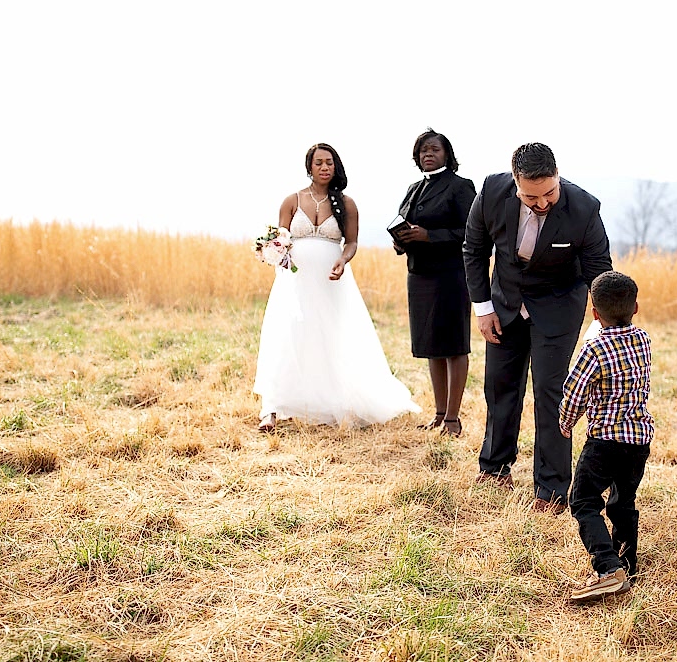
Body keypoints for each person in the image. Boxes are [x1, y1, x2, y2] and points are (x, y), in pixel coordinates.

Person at [463, 142, 612, 512]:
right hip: (504, 304)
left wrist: (611, 324)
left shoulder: (584, 208)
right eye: (532, 196)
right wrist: (483, 308)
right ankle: (495, 468)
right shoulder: (491, 192)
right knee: (499, 386)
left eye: (549, 192)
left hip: (558, 307)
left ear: (557, 177)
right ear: (515, 183)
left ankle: (552, 489)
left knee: (550, 392)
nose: (542, 202)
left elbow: (599, 269)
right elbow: (474, 249)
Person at [253, 143, 420, 432]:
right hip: (295, 280)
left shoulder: (347, 203)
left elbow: (352, 242)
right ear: (309, 167)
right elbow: (280, 237)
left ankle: (332, 399)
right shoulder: (291, 200)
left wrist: (343, 260)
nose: (324, 167)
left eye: (329, 162)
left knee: (331, 335)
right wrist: (273, 250)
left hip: (332, 280)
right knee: (288, 335)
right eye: (318, 162)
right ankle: (273, 407)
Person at [559, 271, 654, 602]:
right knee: (623, 504)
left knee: (583, 501)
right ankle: (627, 568)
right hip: (639, 440)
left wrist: (566, 421)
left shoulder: (595, 347)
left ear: (594, 314)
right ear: (636, 307)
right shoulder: (644, 341)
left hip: (605, 441)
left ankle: (607, 568)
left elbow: (574, 391)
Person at [393, 129, 478, 438]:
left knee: (454, 345)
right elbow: (401, 224)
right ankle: (439, 414)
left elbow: (472, 234)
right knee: (431, 346)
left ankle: (454, 419)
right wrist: (401, 241)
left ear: (447, 155)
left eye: (434, 149)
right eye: (422, 150)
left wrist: (430, 236)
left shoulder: (460, 187)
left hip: (451, 275)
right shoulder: (414, 189)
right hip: (419, 275)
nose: (427, 154)